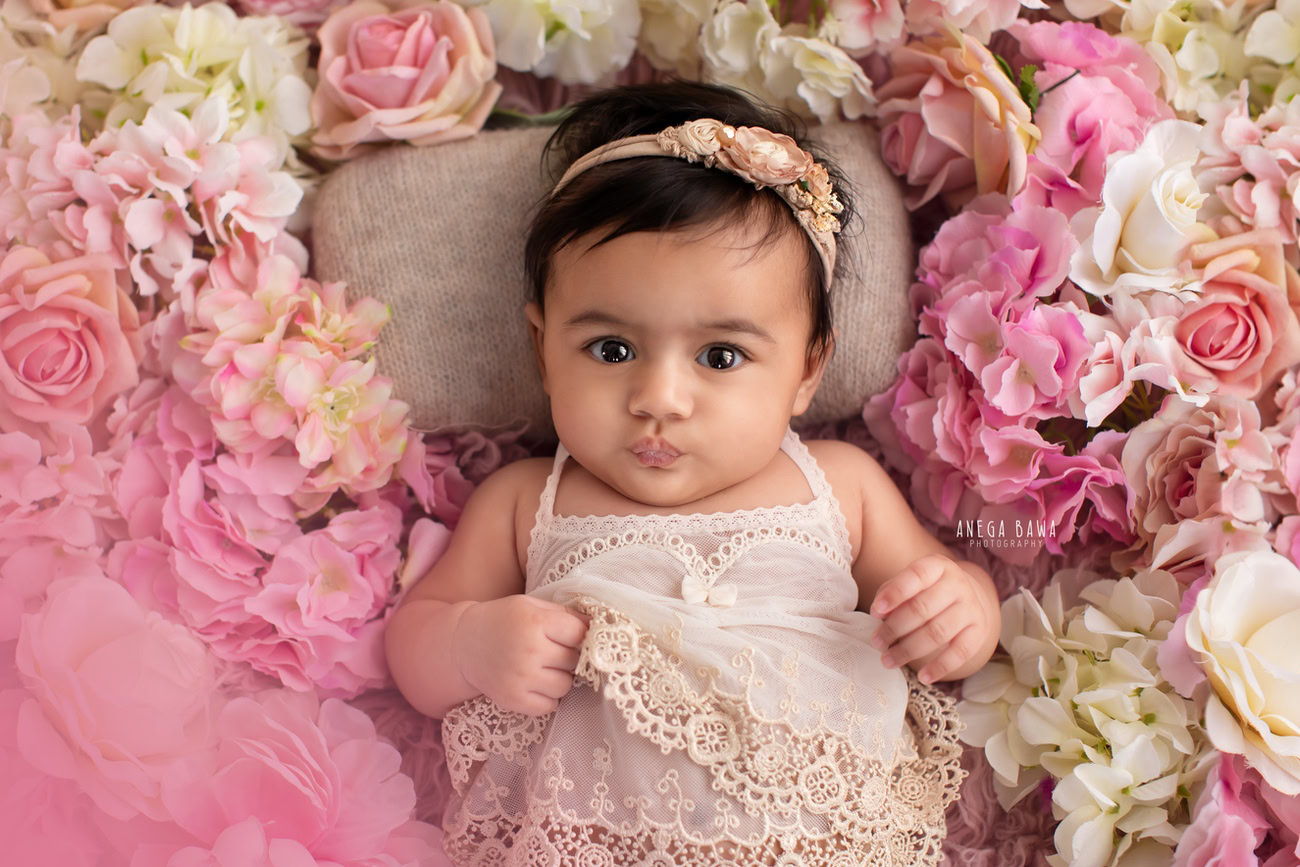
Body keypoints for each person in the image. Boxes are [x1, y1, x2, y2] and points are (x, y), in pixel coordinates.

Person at [385, 79, 1002, 867]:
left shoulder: (840, 485)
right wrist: (472, 644)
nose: (658, 400)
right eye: (611, 350)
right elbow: (414, 642)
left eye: (720, 356)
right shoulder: (526, 500)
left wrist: (962, 614)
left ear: (809, 370)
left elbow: (944, 591)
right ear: (543, 347)